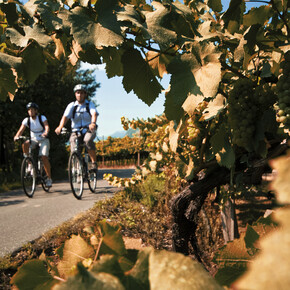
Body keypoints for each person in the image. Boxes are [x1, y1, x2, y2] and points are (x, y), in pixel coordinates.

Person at [55, 84, 98, 167]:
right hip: (75, 131)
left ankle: (93, 163)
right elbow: (65, 117)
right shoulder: (71, 106)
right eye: (78, 93)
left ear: (85, 94)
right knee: (74, 148)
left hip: (88, 130)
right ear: (75, 94)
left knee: (87, 140)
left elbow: (94, 113)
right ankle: (77, 169)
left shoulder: (89, 104)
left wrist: (93, 123)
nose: (80, 95)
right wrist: (60, 126)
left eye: (82, 93)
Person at [14, 102, 52, 187]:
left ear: (36, 111)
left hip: (43, 139)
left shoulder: (41, 117)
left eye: (32, 110)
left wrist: (46, 132)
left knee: (44, 156)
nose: (30, 111)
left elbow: (47, 126)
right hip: (33, 140)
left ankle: (49, 178)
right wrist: (16, 136)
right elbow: (20, 130)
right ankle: (29, 164)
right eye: (29, 110)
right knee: (25, 144)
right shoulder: (26, 120)